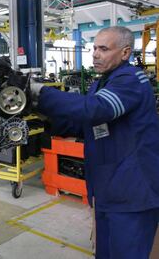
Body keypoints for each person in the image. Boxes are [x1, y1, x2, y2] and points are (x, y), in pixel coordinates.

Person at [31, 26, 159, 258]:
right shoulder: (100, 83)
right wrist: (42, 121)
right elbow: (86, 125)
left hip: (132, 192)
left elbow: (96, 110)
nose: (95, 54)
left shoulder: (130, 80)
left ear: (125, 52)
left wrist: (41, 93)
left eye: (103, 49)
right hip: (107, 190)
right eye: (94, 48)